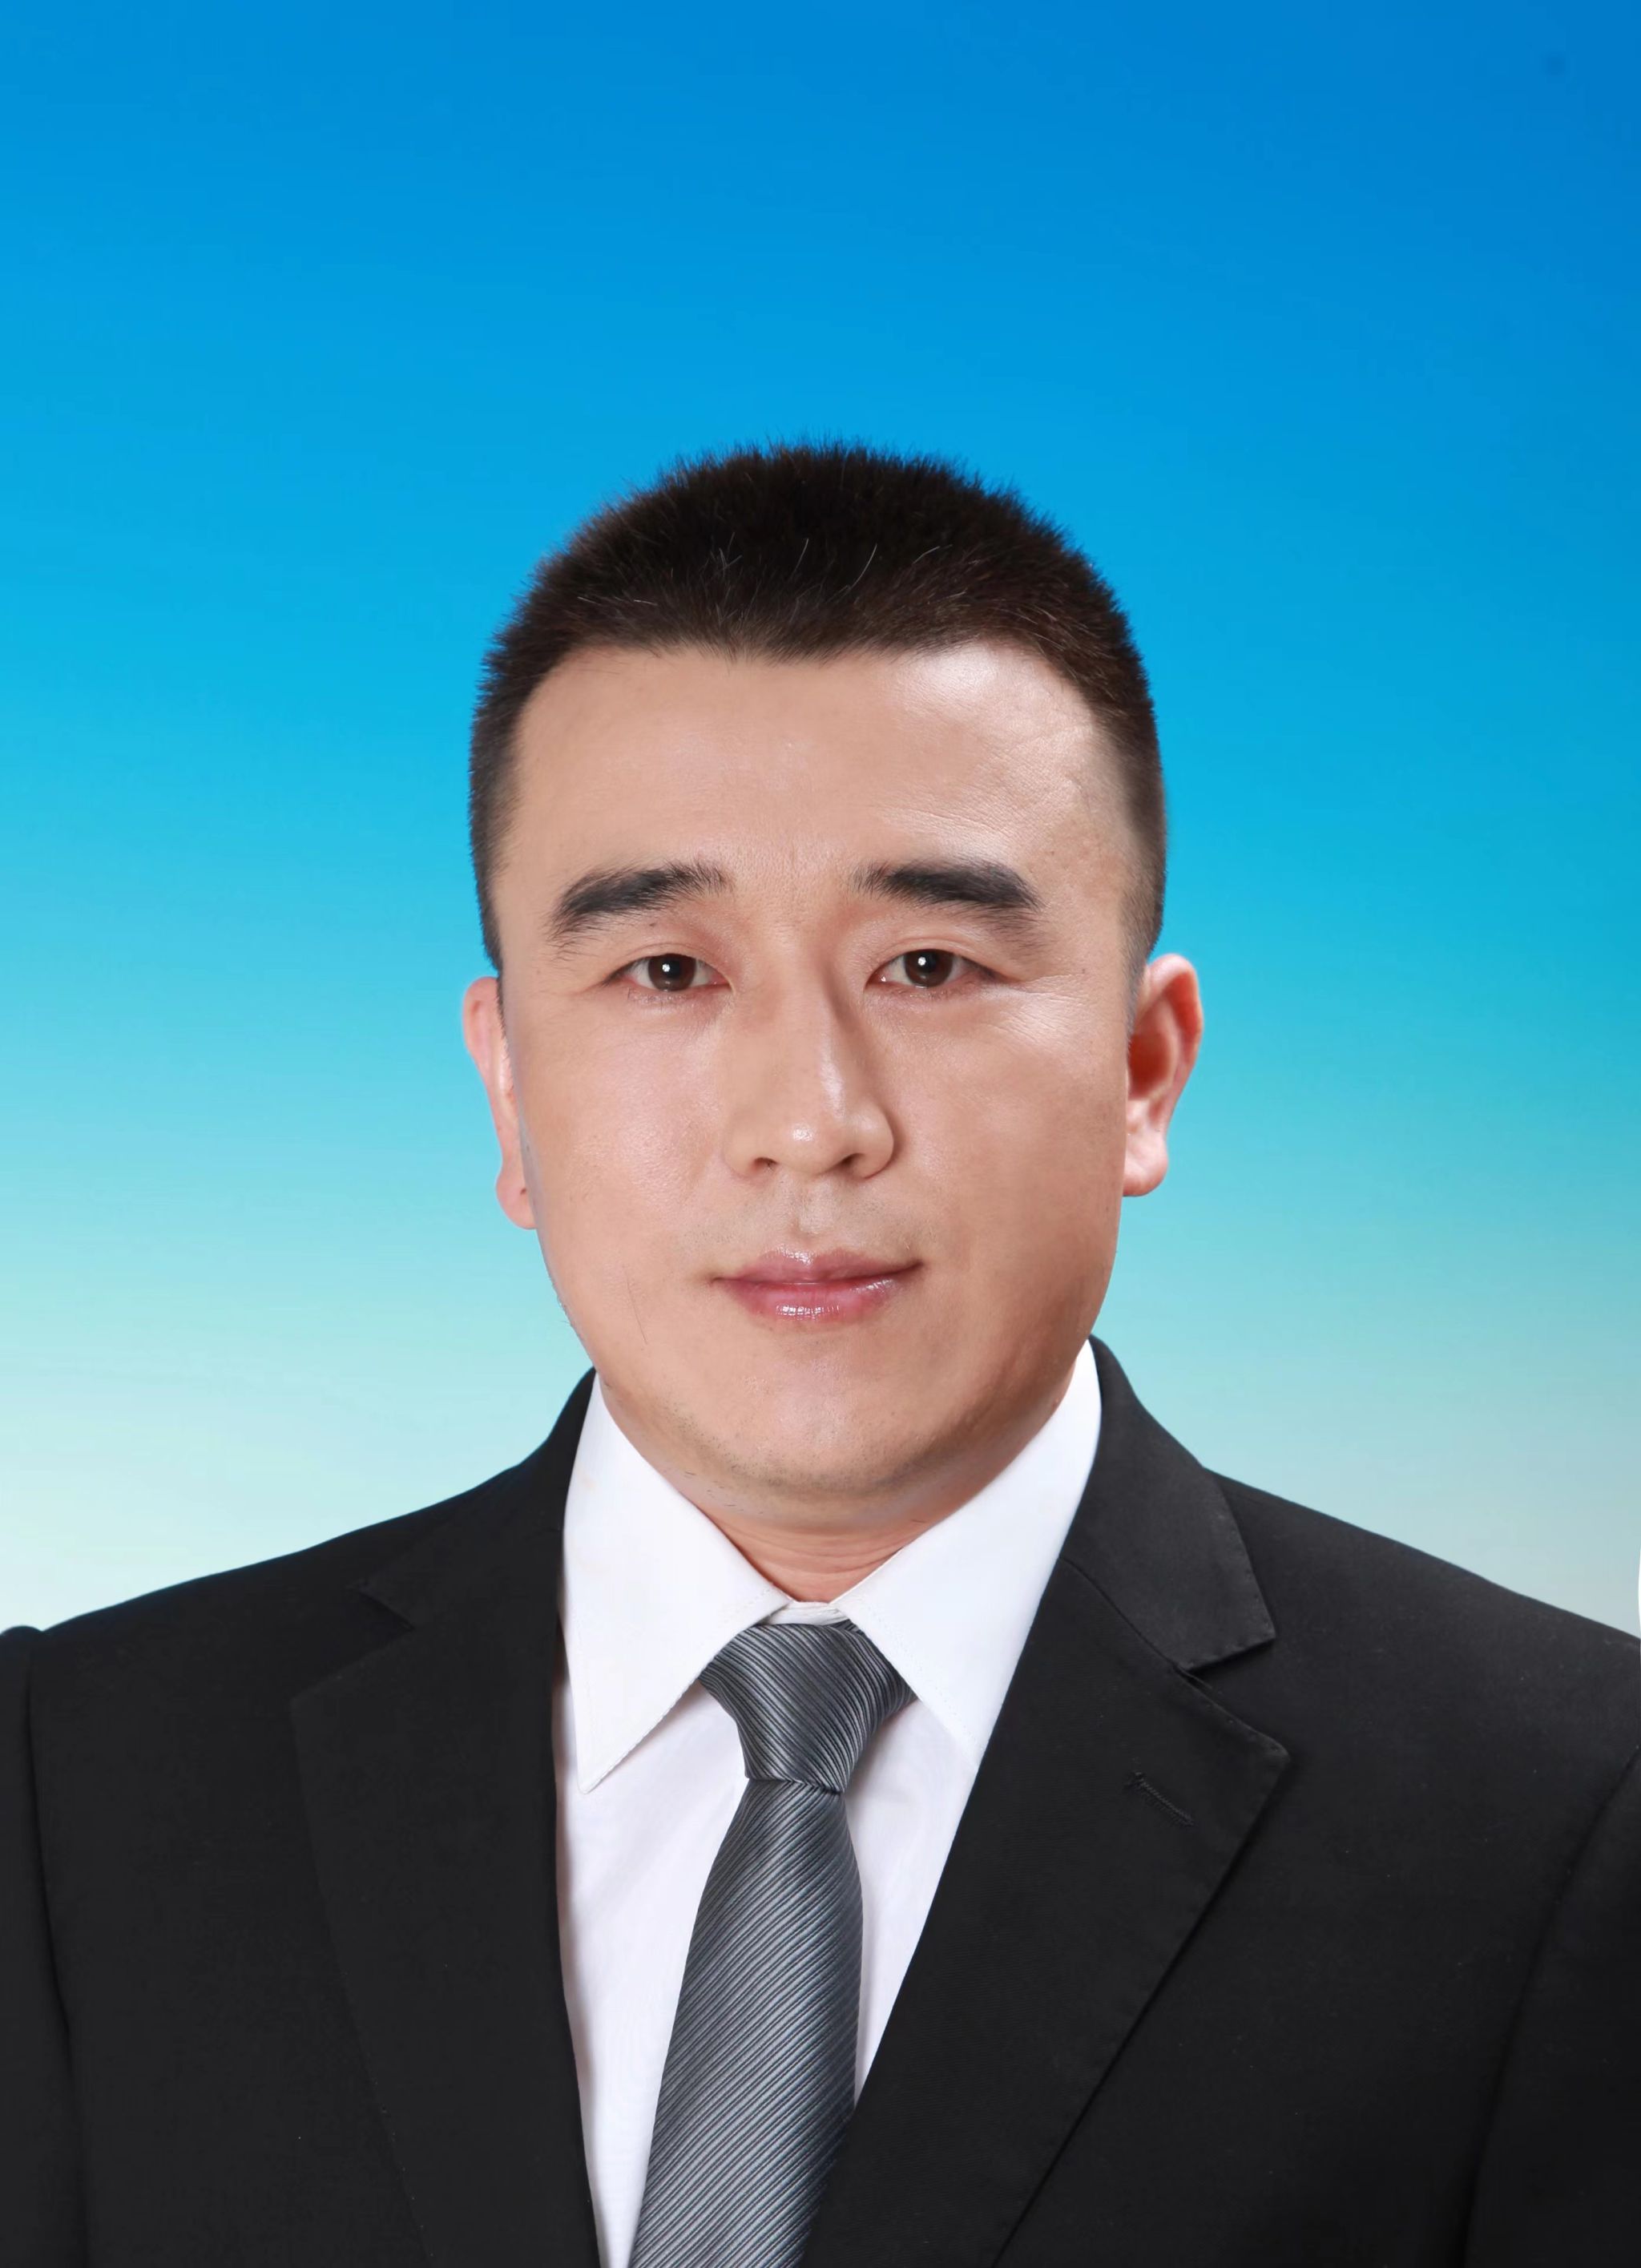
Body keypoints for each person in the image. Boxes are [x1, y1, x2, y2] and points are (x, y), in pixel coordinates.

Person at [2, 441, 1636, 2267]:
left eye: (928, 965)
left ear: (1141, 1069)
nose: (809, 1122)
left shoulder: (1570, 1808)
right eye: (668, 972)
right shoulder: (75, 1782)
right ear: (510, 1089)